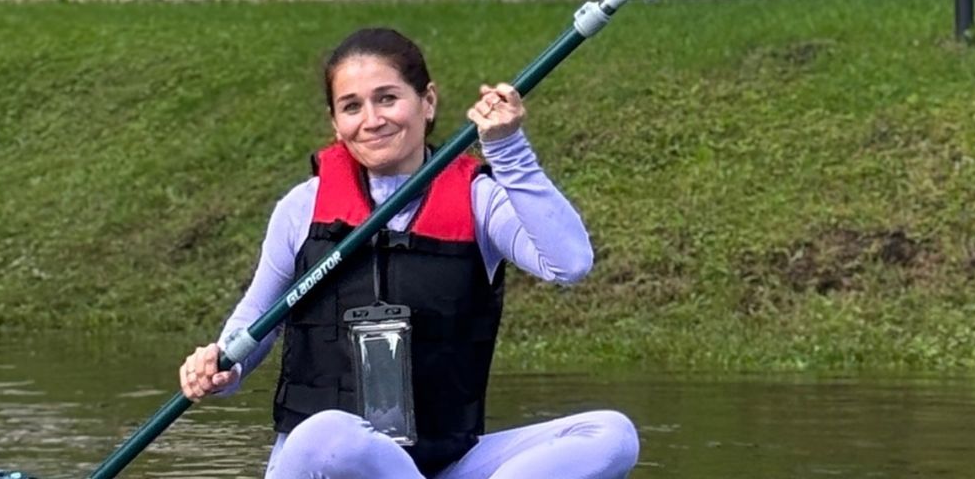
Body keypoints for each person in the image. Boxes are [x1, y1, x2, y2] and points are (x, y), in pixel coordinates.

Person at [178, 27, 640, 479]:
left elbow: (570, 263)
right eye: (352, 106)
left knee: (610, 435)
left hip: (443, 461)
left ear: (428, 102)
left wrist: (508, 149)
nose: (372, 119)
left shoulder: (479, 201)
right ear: (336, 125)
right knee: (328, 435)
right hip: (323, 461)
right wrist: (223, 366)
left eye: (387, 98)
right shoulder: (301, 208)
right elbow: (254, 323)